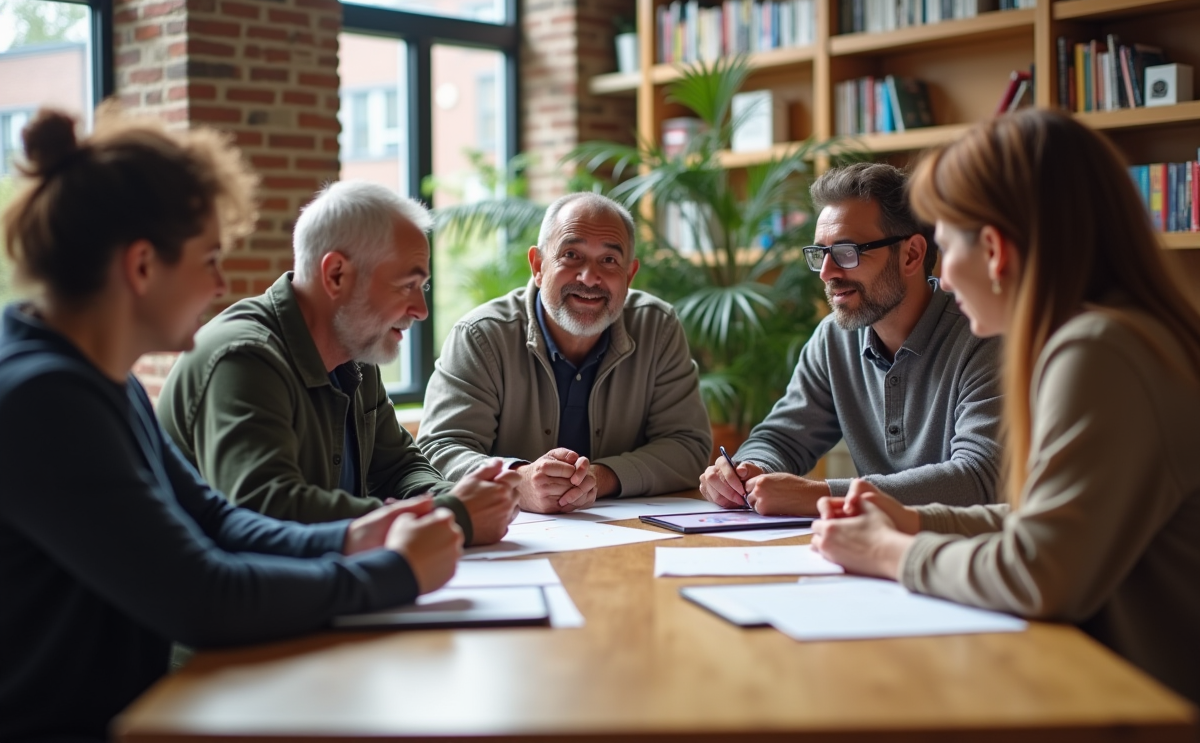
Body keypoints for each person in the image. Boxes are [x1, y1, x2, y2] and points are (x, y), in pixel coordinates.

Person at [0, 106, 465, 742]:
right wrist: (393, 573)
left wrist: (352, 537)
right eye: (210, 259)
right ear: (142, 266)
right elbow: (201, 595)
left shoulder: (101, 378)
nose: (221, 285)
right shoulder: (44, 399)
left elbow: (214, 518)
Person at [810, 109, 1200, 705]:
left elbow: (1039, 573)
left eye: (944, 246)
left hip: (1144, 707)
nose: (942, 276)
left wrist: (887, 551)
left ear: (993, 250)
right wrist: (913, 520)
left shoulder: (1099, 351)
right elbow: (1037, 521)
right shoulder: (1115, 336)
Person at [158, 181, 520, 546]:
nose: (421, 310)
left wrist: (465, 502)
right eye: (407, 285)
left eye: (422, 287)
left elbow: (399, 468)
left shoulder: (357, 353)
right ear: (336, 275)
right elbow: (266, 508)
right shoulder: (245, 358)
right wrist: (454, 515)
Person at [700, 163, 1002, 516]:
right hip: (867, 544)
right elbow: (782, 437)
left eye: (847, 252)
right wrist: (749, 470)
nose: (827, 273)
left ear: (911, 255)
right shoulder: (834, 338)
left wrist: (823, 495)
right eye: (820, 254)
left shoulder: (984, 336)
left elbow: (979, 478)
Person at [418, 192, 712, 513]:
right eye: (571, 255)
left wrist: (600, 478)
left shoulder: (658, 327)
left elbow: (688, 446)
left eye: (609, 260)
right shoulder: (480, 335)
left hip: (626, 530)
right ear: (538, 265)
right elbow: (439, 449)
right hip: (511, 534)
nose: (589, 277)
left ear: (629, 276)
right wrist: (518, 481)